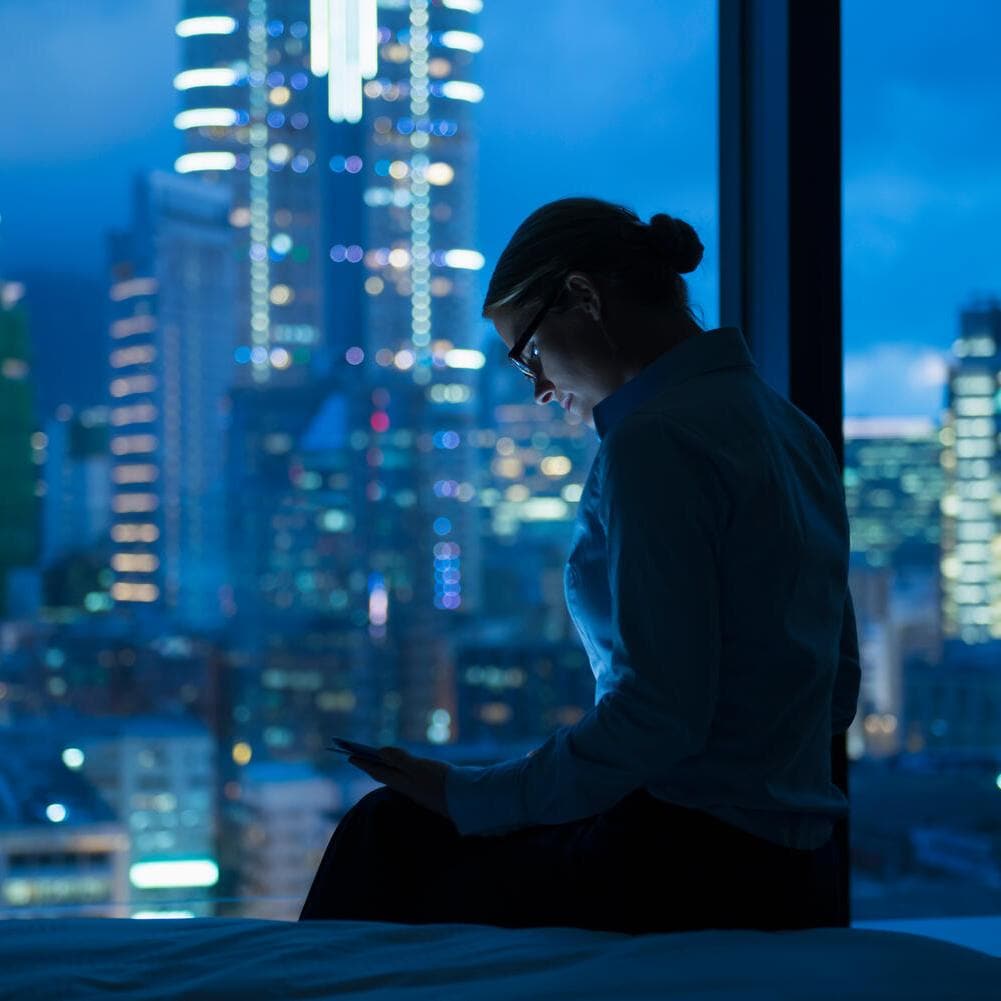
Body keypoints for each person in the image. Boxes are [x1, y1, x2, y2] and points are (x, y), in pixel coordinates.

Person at [299, 196, 861, 935]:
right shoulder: (787, 427)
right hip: (797, 864)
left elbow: (655, 715)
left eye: (529, 351)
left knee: (386, 833)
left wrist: (476, 793)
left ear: (584, 297)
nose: (535, 387)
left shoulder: (655, 444)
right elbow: (836, 686)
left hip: (689, 864)